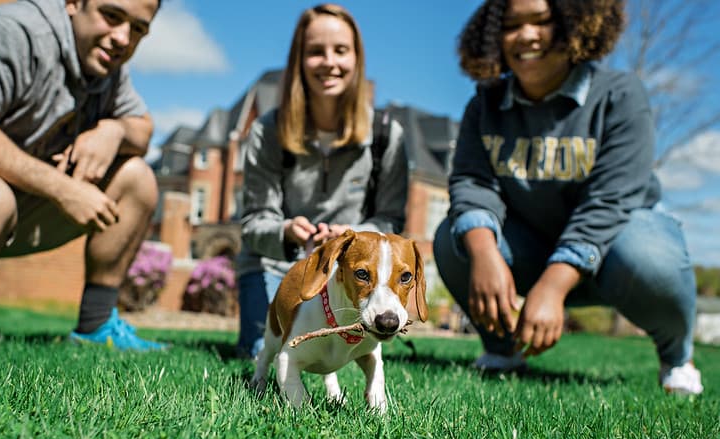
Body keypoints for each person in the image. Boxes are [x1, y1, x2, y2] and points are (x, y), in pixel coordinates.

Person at [432, 0, 703, 394]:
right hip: (531, 250)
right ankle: (503, 348)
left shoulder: (620, 95)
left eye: (543, 21)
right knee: (455, 237)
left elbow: (609, 201)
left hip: (616, 251)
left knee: (649, 255)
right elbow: (472, 183)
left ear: (579, 23)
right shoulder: (484, 104)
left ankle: (677, 357)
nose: (526, 35)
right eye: (511, 25)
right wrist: (485, 253)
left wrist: (554, 286)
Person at [0, 0, 165, 350]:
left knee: (136, 178)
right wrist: (63, 189)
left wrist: (114, 131)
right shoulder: (11, 31)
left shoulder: (105, 65)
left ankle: (96, 327)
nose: (123, 38)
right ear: (73, 3)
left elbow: (143, 129)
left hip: (11, 204)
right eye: (111, 16)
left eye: (138, 29)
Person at [235, 3, 409, 359]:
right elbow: (253, 223)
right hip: (275, 267)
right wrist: (286, 231)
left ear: (356, 60)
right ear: (299, 60)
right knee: (264, 349)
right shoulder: (268, 131)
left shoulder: (386, 135)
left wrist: (352, 236)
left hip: (349, 274)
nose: (329, 62)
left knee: (347, 352)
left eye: (341, 51)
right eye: (316, 51)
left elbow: (392, 220)